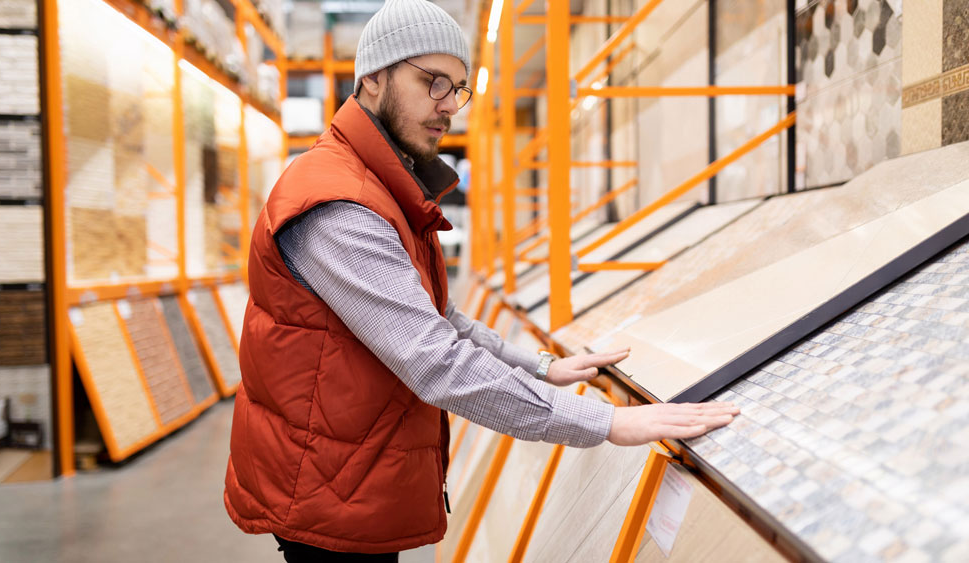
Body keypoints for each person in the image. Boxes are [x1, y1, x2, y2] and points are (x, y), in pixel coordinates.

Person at [223, 0, 739, 560]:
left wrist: (543, 367)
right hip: (326, 484)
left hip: (348, 467)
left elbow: (433, 315)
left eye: (459, 89)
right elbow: (434, 359)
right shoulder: (337, 204)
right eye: (433, 83)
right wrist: (606, 422)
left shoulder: (380, 187)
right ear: (372, 77)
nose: (449, 107)